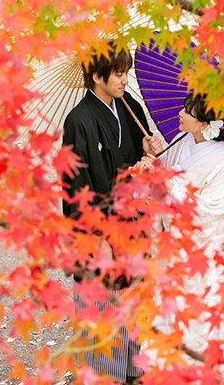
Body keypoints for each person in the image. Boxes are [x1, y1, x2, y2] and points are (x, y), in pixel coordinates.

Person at [61, 42, 162, 384]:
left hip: (132, 220)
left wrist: (147, 152)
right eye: (118, 74)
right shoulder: (79, 121)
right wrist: (95, 237)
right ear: (96, 75)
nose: (125, 80)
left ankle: (132, 368)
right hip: (100, 226)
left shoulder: (129, 105)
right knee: (102, 301)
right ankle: (105, 373)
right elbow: (76, 185)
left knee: (132, 295)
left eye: (126, 72)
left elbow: (136, 163)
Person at [138, 93, 224, 369]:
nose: (181, 113)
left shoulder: (223, 166)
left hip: (204, 260)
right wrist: (155, 163)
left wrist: (168, 185)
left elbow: (207, 216)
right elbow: (166, 182)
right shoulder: (185, 142)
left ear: (204, 125)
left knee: (202, 327)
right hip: (175, 256)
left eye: (188, 111)